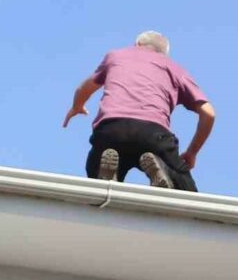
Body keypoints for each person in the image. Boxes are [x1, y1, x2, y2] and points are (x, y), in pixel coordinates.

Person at [61, 30, 215, 191]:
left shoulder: (115, 56)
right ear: (163, 54)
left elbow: (84, 88)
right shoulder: (173, 68)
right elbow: (209, 113)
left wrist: (77, 106)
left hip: (111, 130)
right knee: (185, 191)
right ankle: (162, 170)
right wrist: (192, 152)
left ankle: (106, 179)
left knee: (95, 175)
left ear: (137, 44)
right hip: (152, 134)